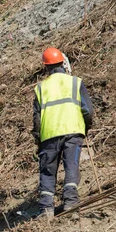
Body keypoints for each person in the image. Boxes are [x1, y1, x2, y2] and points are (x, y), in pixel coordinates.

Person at [32, 47, 94, 218]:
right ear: (63, 62)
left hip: (49, 136)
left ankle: (46, 210)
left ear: (46, 67)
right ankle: (71, 202)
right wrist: (86, 127)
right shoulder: (75, 82)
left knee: (47, 171)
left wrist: (38, 138)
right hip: (73, 131)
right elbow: (87, 110)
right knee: (71, 165)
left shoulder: (40, 88)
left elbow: (36, 119)